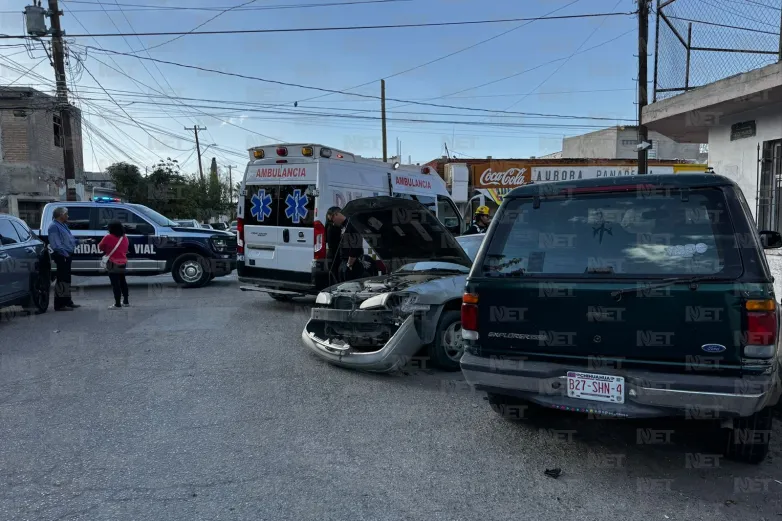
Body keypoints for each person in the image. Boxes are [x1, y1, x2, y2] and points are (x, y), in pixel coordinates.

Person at [47, 207, 81, 311]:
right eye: (66, 214)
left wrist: (81, 241)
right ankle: (59, 305)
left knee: (67, 279)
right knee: (62, 280)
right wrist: (65, 254)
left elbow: (70, 239)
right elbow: (55, 244)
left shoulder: (63, 225)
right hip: (62, 255)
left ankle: (67, 301)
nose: (68, 216)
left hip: (67, 255)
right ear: (61, 215)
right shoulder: (53, 226)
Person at [325, 206, 365, 282]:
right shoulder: (344, 226)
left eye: (332, 219)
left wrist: (349, 264)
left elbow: (356, 246)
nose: (333, 223)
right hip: (345, 262)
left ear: (336, 214)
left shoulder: (351, 224)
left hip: (352, 263)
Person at [98, 220, 130, 309]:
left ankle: (117, 304)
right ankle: (126, 301)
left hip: (112, 262)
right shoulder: (124, 237)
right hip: (123, 262)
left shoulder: (108, 237)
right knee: (123, 281)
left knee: (115, 284)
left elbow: (100, 247)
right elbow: (126, 248)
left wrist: (107, 249)